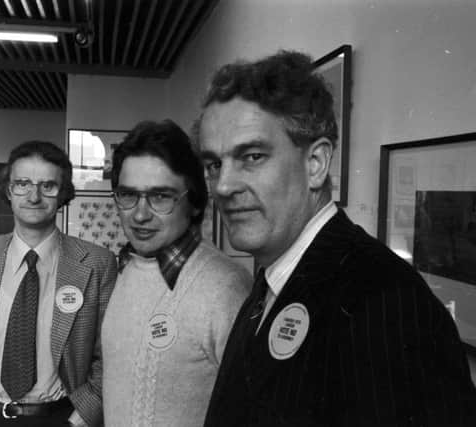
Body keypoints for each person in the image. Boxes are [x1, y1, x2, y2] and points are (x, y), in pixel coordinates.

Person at [197, 51, 476, 426]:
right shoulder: (273, 276)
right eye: (214, 164)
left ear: (316, 164)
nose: (224, 185)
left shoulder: (384, 301)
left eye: (252, 156)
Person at [0, 141, 117, 427]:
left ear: (64, 193)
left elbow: (109, 355)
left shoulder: (97, 263)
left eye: (48, 185)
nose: (34, 196)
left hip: (63, 417)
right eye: (23, 183)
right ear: (9, 190)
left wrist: (80, 420)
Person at [101, 119, 252, 426]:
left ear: (194, 202)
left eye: (161, 197)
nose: (140, 215)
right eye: (128, 195)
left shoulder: (226, 289)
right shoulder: (126, 267)